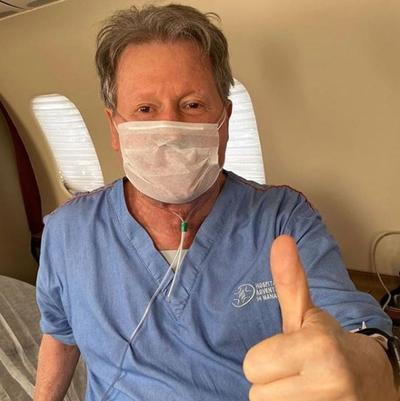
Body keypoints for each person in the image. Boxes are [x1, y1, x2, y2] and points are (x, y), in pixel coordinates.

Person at [33, 4, 398, 401]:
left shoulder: (282, 219)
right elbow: (60, 334)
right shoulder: (68, 231)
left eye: (192, 105)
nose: (170, 130)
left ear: (224, 119)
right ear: (114, 127)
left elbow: (349, 327)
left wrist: (369, 365)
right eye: (145, 109)